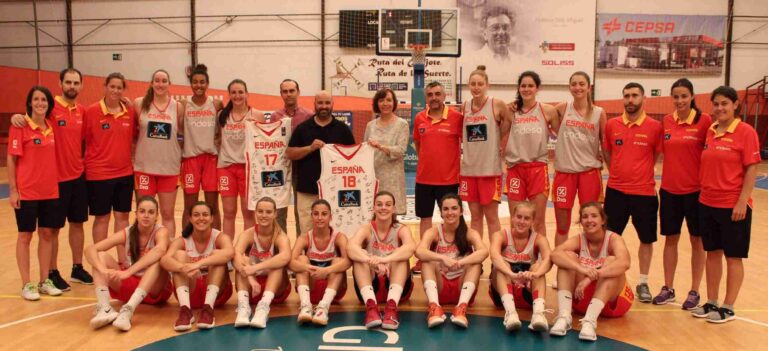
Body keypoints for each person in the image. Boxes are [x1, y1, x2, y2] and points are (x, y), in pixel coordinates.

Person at [10, 68, 94, 291]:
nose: (72, 86)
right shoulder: (50, 108)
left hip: (78, 176)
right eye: (68, 82)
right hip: (55, 180)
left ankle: (77, 267)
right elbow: (30, 116)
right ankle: (52, 272)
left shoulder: (82, 111)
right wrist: (16, 116)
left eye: (76, 83)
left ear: (81, 86)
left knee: (78, 223)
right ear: (60, 83)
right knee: (51, 230)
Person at [691, 86, 760, 323]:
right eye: (716, 104)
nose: (720, 108)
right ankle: (712, 301)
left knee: (733, 257)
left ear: (735, 105)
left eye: (725, 104)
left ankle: (728, 307)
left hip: (733, 206)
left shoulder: (746, 131)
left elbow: (752, 167)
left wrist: (742, 201)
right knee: (712, 254)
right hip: (707, 203)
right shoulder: (711, 130)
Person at [653, 78, 711, 309]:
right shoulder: (667, 121)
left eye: (684, 96)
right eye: (676, 97)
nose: (680, 101)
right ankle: (668, 288)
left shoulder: (705, 121)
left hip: (696, 192)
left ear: (692, 96)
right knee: (670, 240)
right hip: (669, 191)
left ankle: (695, 291)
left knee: (697, 241)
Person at [602, 82, 663, 303]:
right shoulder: (612, 125)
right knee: (609, 238)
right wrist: (617, 173)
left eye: (635, 96)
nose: (630, 100)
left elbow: (655, 155)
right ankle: (608, 277)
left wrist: (639, 173)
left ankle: (643, 282)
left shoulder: (655, 127)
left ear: (643, 98)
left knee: (646, 239)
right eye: (626, 95)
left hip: (644, 193)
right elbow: (607, 152)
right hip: (616, 191)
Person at [85, 196, 172, 331]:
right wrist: (103, 270)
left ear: (156, 216)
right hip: (130, 284)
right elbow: (90, 249)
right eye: (142, 211)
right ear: (136, 214)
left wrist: (128, 272)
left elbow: (159, 250)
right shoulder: (128, 232)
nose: (146, 216)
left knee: (158, 261)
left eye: (151, 212)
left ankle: (128, 309)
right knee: (100, 256)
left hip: (154, 288)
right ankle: (104, 307)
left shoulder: (161, 231)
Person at [8, 86, 63, 300]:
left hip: (49, 190)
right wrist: (14, 190)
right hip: (27, 192)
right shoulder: (20, 126)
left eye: (44, 100)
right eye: (36, 99)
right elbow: (12, 159)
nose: (40, 103)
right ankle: (26, 284)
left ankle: (43, 281)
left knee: (47, 234)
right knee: (25, 236)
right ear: (30, 103)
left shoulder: (51, 127)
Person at [549, 202, 633, 341]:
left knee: (612, 261)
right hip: (583, 298)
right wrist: (581, 268)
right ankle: (564, 316)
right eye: (585, 217)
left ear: (603, 220)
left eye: (594, 216)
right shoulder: (579, 239)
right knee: (567, 257)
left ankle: (589, 321)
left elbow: (624, 263)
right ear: (581, 221)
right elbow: (555, 254)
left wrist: (591, 276)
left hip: (613, 304)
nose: (589, 220)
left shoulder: (613, 238)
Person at [286, 91, 355, 235]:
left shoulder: (343, 129)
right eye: (320, 103)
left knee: (337, 229)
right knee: (306, 230)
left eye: (327, 103)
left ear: (332, 105)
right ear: (315, 105)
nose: (324, 106)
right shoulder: (303, 128)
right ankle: (307, 257)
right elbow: (290, 153)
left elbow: (353, 156)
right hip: (307, 189)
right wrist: (309, 148)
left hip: (335, 190)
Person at [415, 194, 488, 329]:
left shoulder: (469, 233)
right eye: (446, 209)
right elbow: (419, 251)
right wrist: (442, 258)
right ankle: (435, 308)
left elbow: (484, 252)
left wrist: (460, 262)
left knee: (475, 263)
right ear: (441, 212)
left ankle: (461, 308)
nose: (450, 212)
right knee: (427, 261)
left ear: (461, 211)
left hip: (462, 285)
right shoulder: (434, 231)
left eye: (454, 208)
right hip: (440, 285)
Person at [552, 72, 606, 247]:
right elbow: (538, 110)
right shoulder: (561, 109)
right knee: (562, 226)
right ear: (569, 87)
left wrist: (611, 166)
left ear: (589, 87)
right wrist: (515, 104)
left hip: (589, 173)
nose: (578, 87)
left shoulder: (599, 113)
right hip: (564, 173)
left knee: (592, 224)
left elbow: (605, 143)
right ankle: (562, 262)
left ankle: (593, 259)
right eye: (574, 84)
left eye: (582, 84)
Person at [161, 202, 234, 331]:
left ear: (212, 218)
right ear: (190, 218)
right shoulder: (182, 240)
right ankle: (185, 310)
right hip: (191, 291)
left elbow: (229, 253)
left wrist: (198, 264)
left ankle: (208, 309)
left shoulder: (219, 237)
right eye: (196, 215)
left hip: (217, 293)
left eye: (205, 215)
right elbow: (165, 260)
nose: (201, 218)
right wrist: (181, 267)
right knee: (179, 256)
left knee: (218, 254)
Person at [348, 191, 416, 330]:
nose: (383, 207)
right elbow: (350, 248)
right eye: (379, 204)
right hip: (372, 283)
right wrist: (371, 261)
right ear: (374, 208)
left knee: (400, 255)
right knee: (359, 255)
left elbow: (410, 248)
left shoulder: (401, 229)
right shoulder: (367, 228)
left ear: (394, 209)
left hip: (396, 283)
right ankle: (371, 308)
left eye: (388, 204)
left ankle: (391, 309)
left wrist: (385, 259)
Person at [84, 73, 136, 250]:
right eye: (112, 86)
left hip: (125, 174)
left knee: (123, 218)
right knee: (102, 218)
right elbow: (81, 139)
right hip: (99, 175)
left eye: (119, 87)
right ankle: (100, 261)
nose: (115, 90)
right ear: (105, 86)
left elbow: (135, 139)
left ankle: (123, 262)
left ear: (123, 90)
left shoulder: (129, 111)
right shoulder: (91, 111)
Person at [504, 70, 558, 237]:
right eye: (523, 86)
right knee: (516, 221)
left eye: (530, 86)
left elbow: (563, 135)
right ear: (519, 88)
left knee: (537, 221)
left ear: (537, 88)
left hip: (538, 169)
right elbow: (500, 135)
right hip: (515, 169)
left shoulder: (547, 111)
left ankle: (540, 260)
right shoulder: (510, 111)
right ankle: (514, 260)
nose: (526, 89)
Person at [134, 69, 185, 237]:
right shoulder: (139, 103)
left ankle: (167, 252)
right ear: (151, 83)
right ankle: (143, 251)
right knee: (144, 215)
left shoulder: (177, 107)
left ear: (169, 84)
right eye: (157, 80)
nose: (160, 84)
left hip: (168, 169)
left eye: (164, 81)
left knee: (167, 214)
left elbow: (182, 135)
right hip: (144, 168)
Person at [460, 66, 509, 240]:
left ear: (487, 85)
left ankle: (496, 259)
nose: (476, 87)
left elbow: (509, 125)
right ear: (468, 85)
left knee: (492, 217)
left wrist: (500, 143)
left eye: (480, 84)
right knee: (474, 218)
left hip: (489, 170)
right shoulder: (464, 106)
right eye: (473, 84)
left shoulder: (496, 104)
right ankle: (476, 257)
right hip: (469, 170)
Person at [489, 201, 552, 332]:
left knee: (538, 267)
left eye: (526, 218)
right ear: (512, 217)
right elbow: (494, 256)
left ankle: (538, 314)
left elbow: (548, 260)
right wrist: (511, 274)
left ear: (533, 221)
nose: (522, 221)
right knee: (502, 266)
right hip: (503, 290)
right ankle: (510, 313)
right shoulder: (501, 235)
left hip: (526, 290)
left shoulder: (539, 239)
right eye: (519, 217)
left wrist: (536, 274)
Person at [413, 81, 463, 241]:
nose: (434, 98)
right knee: (425, 218)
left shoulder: (457, 118)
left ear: (444, 96)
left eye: (437, 94)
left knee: (452, 219)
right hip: (424, 180)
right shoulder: (419, 118)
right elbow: (418, 144)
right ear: (426, 98)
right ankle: (424, 253)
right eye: (430, 95)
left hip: (449, 180)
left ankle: (453, 251)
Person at [289, 199, 351, 326]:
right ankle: (306, 306)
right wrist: (309, 268)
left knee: (338, 261)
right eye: (316, 214)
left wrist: (326, 271)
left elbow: (348, 262)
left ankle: (323, 308)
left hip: (334, 290)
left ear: (330, 217)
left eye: (324, 214)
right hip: (311, 287)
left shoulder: (339, 237)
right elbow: (290, 262)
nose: (320, 217)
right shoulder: (304, 238)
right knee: (301, 259)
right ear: (311, 216)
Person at [233, 197, 292, 329]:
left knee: (277, 264)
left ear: (275, 214)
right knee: (242, 259)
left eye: (268, 212)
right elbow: (235, 255)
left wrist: (255, 269)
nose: (264, 215)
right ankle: (243, 307)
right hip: (251, 287)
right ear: (255, 213)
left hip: (276, 290)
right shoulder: (248, 234)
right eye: (260, 211)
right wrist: (251, 278)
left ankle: (263, 307)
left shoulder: (280, 236)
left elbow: (285, 257)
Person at [217, 79, 263, 239]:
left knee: (248, 213)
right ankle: (227, 250)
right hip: (225, 167)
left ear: (246, 94)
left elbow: (263, 142)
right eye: (234, 92)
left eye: (240, 92)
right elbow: (217, 139)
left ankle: (247, 249)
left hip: (248, 169)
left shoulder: (257, 115)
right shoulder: (221, 116)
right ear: (229, 94)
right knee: (228, 212)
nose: (237, 96)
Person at [181, 64, 223, 230]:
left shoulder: (217, 104)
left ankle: (217, 243)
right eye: (195, 82)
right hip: (190, 160)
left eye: (202, 82)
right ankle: (186, 243)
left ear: (207, 84)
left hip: (211, 160)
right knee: (189, 208)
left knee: (213, 207)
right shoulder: (184, 105)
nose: (199, 85)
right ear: (191, 84)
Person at [271, 79, 314, 236]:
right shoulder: (275, 116)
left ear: (298, 92)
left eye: (291, 90)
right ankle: (281, 249)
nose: (288, 94)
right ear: (281, 94)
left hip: (301, 170)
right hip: (279, 171)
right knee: (279, 212)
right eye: (285, 91)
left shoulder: (309, 115)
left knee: (300, 213)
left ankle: (299, 251)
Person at [364, 88, 409, 215]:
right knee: (375, 214)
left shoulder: (402, 124)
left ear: (394, 102)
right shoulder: (370, 125)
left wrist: (380, 146)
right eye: (381, 100)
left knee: (393, 215)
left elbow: (400, 150)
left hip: (393, 177)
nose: (385, 103)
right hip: (374, 177)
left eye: (389, 100)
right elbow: (365, 150)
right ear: (376, 104)